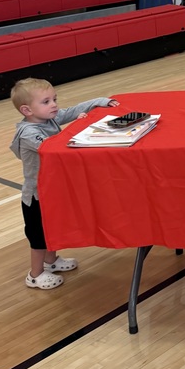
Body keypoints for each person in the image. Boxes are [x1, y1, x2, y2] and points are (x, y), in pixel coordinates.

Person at [10, 78, 119, 290]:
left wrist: (101, 101)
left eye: (54, 99)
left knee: (52, 228)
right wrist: (79, 126)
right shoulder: (29, 133)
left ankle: (50, 262)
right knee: (38, 237)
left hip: (51, 190)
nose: (54, 105)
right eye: (46, 102)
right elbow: (56, 148)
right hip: (36, 196)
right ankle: (35, 275)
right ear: (27, 110)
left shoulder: (48, 119)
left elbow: (73, 110)